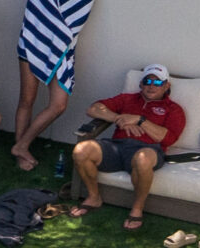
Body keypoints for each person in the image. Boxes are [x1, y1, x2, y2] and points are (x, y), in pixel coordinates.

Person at [11, 0, 95, 171]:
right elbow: (35, 9)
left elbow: (73, 24)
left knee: (58, 105)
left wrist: (55, 38)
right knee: (26, 99)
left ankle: (22, 145)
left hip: (60, 51)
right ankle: (20, 153)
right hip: (31, 42)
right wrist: (45, 34)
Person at [72, 64, 187, 231]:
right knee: (81, 150)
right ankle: (94, 197)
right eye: (147, 81)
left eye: (157, 82)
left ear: (166, 85)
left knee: (143, 159)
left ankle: (137, 208)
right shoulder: (127, 99)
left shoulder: (174, 109)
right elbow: (93, 109)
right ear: (141, 84)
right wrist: (120, 118)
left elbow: (168, 138)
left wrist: (140, 120)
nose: (151, 85)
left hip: (149, 149)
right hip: (117, 146)